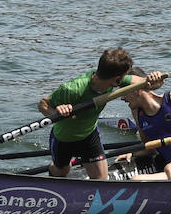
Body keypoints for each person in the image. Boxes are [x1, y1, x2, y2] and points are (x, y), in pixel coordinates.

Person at [37, 48, 156, 180]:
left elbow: (149, 85)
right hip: (64, 139)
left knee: (101, 180)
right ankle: (54, 167)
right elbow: (43, 104)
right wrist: (57, 112)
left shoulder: (117, 80)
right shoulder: (73, 89)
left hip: (89, 136)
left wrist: (155, 79)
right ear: (117, 80)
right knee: (61, 172)